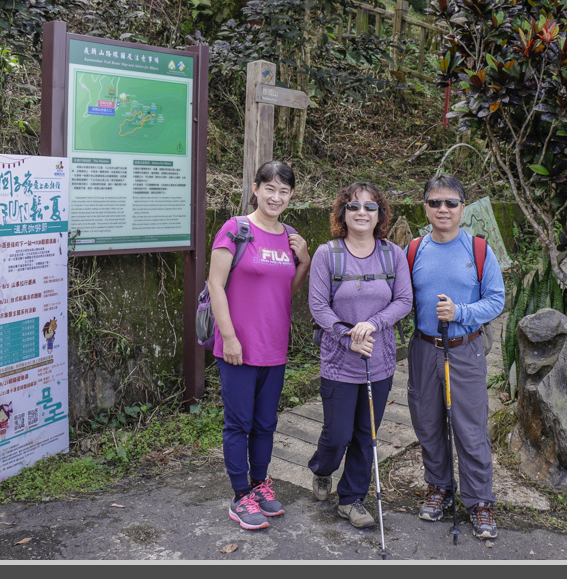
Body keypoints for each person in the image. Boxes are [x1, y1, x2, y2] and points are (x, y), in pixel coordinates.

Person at [207, 160, 311, 530]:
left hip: (274, 346)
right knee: (239, 423)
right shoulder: (236, 229)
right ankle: (239, 496)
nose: (276, 196)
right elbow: (215, 284)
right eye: (270, 188)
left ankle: (259, 484)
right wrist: (230, 336)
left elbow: (284, 292)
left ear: (291, 195)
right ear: (255, 189)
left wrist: (304, 262)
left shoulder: (290, 236)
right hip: (238, 347)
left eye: (284, 190)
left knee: (266, 422)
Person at [405, 174, 505, 540]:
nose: (443, 209)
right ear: (425, 207)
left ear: (463, 207)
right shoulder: (413, 250)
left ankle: (479, 501)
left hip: (464, 350)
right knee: (427, 422)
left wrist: (461, 312)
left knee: (471, 427)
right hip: (423, 349)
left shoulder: (478, 250)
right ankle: (439, 487)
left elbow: (497, 299)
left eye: (451, 203)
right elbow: (399, 298)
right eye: (435, 203)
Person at [307, 182, 413, 528]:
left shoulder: (392, 255)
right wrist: (346, 335)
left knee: (366, 435)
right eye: (353, 207)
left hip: (378, 362)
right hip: (339, 363)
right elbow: (318, 306)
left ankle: (352, 499)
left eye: (370, 207)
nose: (362, 213)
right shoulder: (328, 254)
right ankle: (322, 469)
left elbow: (404, 301)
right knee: (337, 435)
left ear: (380, 214)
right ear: (343, 213)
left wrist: (373, 323)